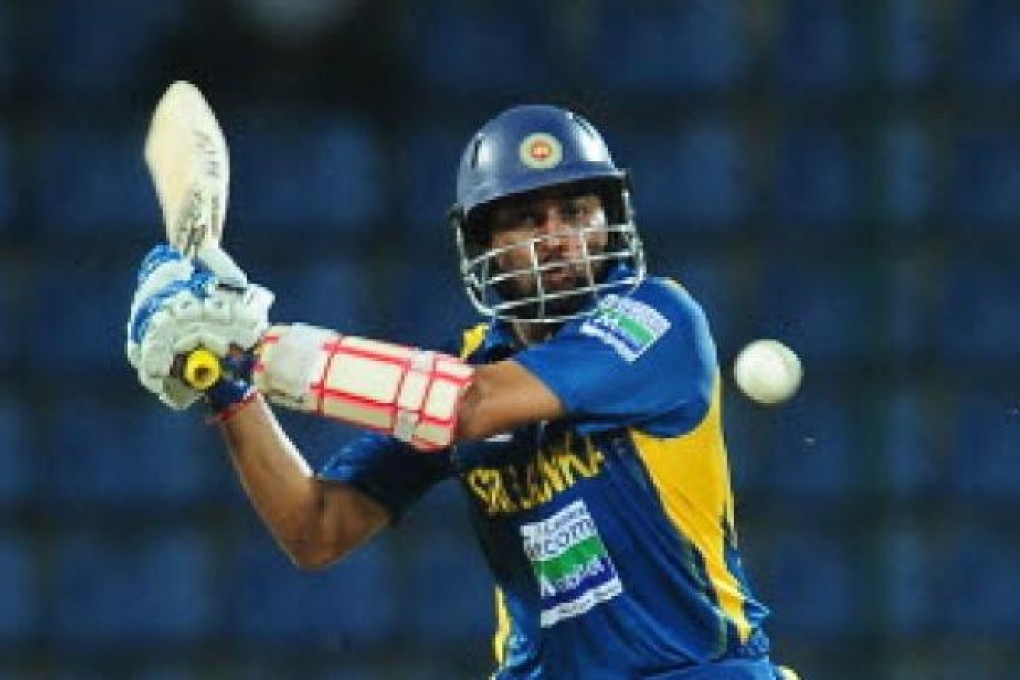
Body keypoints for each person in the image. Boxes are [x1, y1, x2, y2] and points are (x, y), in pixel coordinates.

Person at [126, 105, 797, 678]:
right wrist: (231, 386)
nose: (559, 238)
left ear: (610, 217)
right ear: (483, 242)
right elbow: (316, 527)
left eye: (576, 210)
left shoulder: (656, 320)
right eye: (527, 220)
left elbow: (467, 404)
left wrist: (259, 346)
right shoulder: (463, 365)